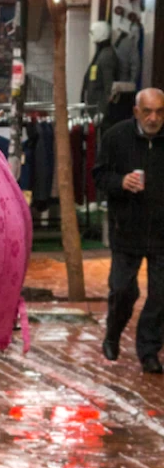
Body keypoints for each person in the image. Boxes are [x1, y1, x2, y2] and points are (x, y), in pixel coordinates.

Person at [94, 88, 164, 373]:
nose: (153, 117)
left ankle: (149, 350)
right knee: (122, 290)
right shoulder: (116, 137)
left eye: (159, 112)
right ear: (136, 111)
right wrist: (120, 182)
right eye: (147, 111)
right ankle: (113, 332)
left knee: (161, 294)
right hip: (127, 229)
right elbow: (98, 175)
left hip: (162, 233)